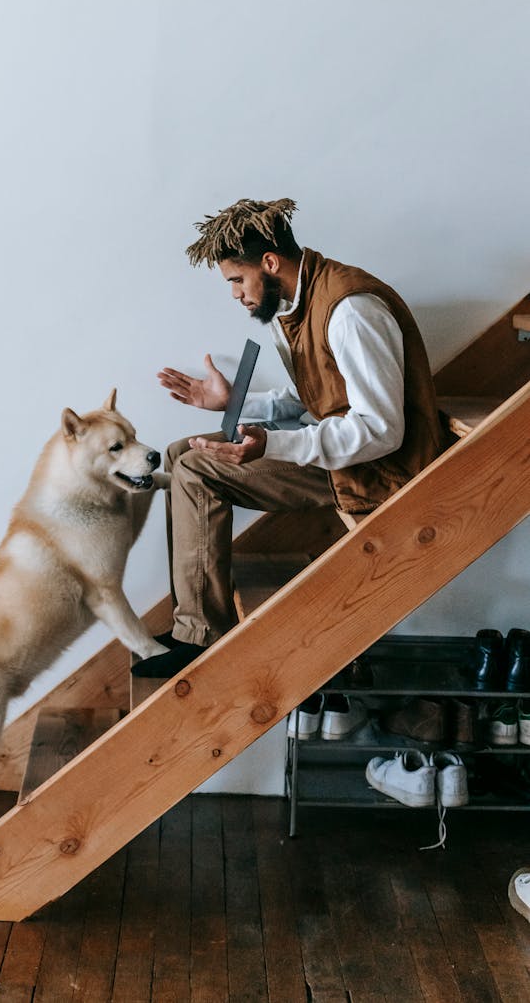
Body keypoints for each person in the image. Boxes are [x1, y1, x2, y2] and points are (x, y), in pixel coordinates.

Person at [132, 197, 447, 678]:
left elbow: (383, 430)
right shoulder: (298, 305)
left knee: (196, 470)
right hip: (344, 453)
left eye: (237, 280)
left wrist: (273, 444)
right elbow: (311, 398)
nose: (236, 294)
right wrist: (234, 403)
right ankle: (188, 624)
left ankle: (198, 638)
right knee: (180, 455)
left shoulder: (350, 312)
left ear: (270, 263)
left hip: (380, 470)